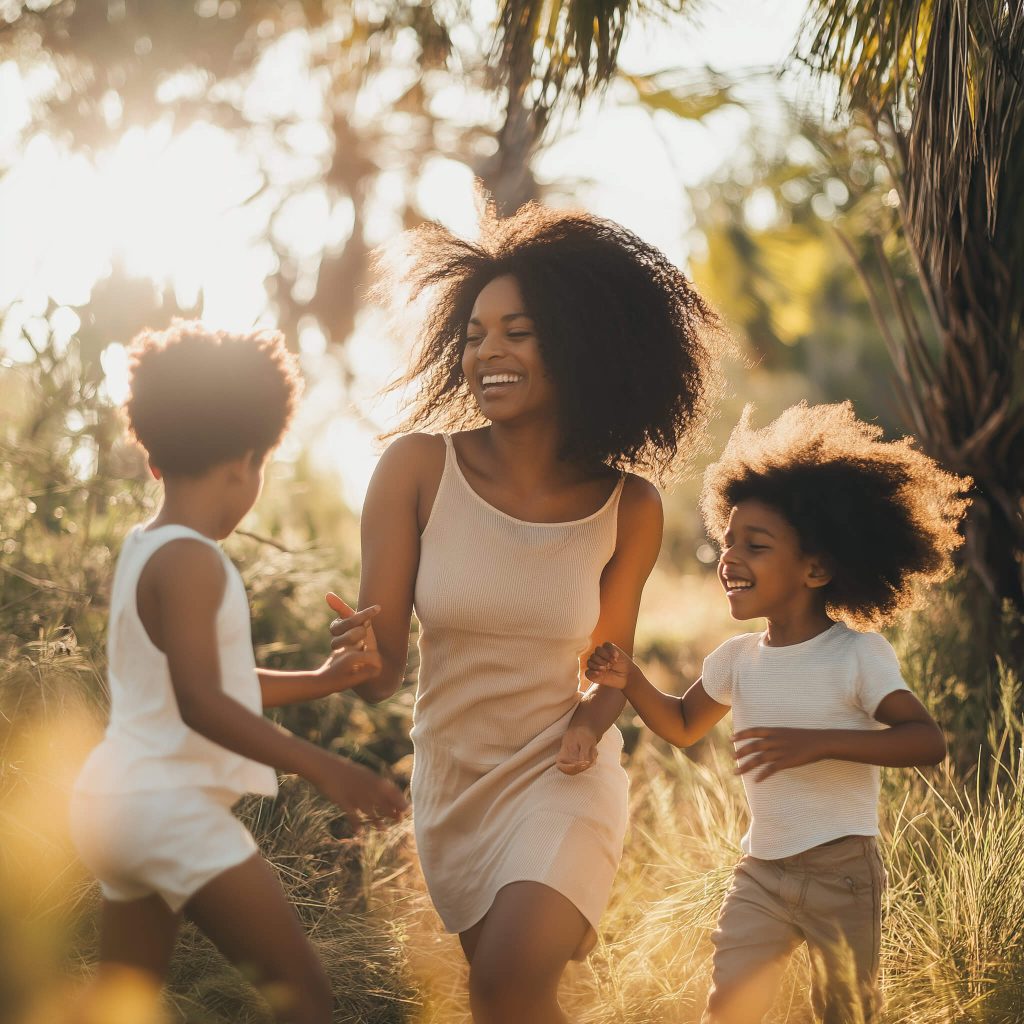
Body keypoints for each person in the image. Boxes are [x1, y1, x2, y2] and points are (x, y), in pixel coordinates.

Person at [326, 200, 723, 1023]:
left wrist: (590, 719)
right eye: (474, 334)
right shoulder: (414, 470)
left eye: (519, 331)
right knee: (511, 1001)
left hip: (563, 774)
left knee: (506, 985)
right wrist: (360, 664)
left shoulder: (630, 506)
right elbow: (381, 672)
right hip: (456, 783)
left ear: (575, 343)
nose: (488, 352)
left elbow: (609, 666)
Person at [585, 401, 971, 1024]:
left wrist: (818, 742)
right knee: (730, 1006)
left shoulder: (856, 656)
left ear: (816, 568)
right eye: (727, 541)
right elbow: (684, 725)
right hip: (762, 870)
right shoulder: (738, 659)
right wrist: (631, 681)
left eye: (755, 546)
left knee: (846, 1013)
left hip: (843, 875)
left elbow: (925, 742)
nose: (730, 559)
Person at [69, 322, 407, 1024]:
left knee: (121, 1005)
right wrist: (328, 769)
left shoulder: (148, 545)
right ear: (246, 463)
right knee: (305, 998)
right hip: (174, 809)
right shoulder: (196, 561)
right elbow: (201, 702)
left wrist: (326, 676)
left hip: (116, 804)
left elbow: (206, 683)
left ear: (155, 456)